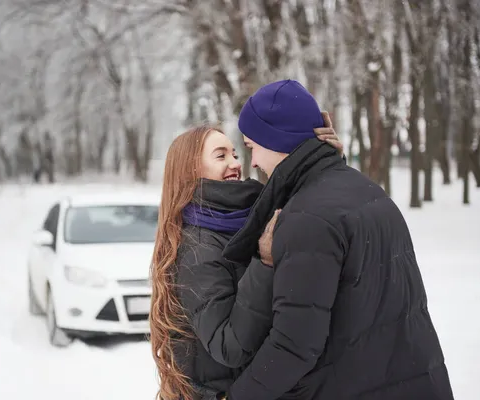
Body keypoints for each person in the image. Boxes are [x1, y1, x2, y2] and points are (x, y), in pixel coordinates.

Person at [218, 80, 454, 400]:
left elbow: (294, 346)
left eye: (251, 147)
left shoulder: (306, 218)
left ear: (276, 139)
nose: (254, 162)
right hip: (413, 380)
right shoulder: (364, 190)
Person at [149, 121, 343, 400]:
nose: (235, 163)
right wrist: (263, 263)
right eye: (221, 156)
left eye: (235, 154)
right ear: (191, 169)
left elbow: (304, 204)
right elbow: (228, 345)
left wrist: (326, 161)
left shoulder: (247, 217)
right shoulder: (197, 249)